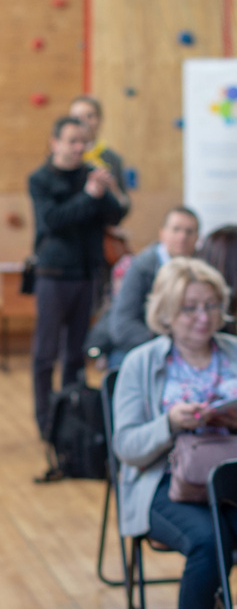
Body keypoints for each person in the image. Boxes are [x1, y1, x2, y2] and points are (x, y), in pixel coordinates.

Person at [110, 258, 237, 609]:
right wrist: (170, 424)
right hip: (164, 482)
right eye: (189, 308)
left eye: (211, 306)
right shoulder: (141, 363)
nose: (203, 317)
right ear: (166, 312)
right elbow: (127, 445)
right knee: (207, 542)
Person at [28, 115, 128, 441]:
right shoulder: (40, 179)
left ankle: (69, 417)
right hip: (54, 274)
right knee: (45, 353)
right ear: (55, 142)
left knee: (75, 353)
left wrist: (105, 190)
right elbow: (53, 221)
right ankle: (45, 420)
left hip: (87, 273)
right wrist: (88, 196)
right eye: (71, 141)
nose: (77, 148)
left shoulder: (90, 175)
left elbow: (115, 215)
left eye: (82, 142)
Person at [97, 205, 201, 365]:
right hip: (144, 346)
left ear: (197, 237)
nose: (182, 237)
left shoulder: (201, 269)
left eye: (189, 231)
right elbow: (123, 325)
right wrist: (169, 346)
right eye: (176, 229)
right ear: (162, 233)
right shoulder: (140, 267)